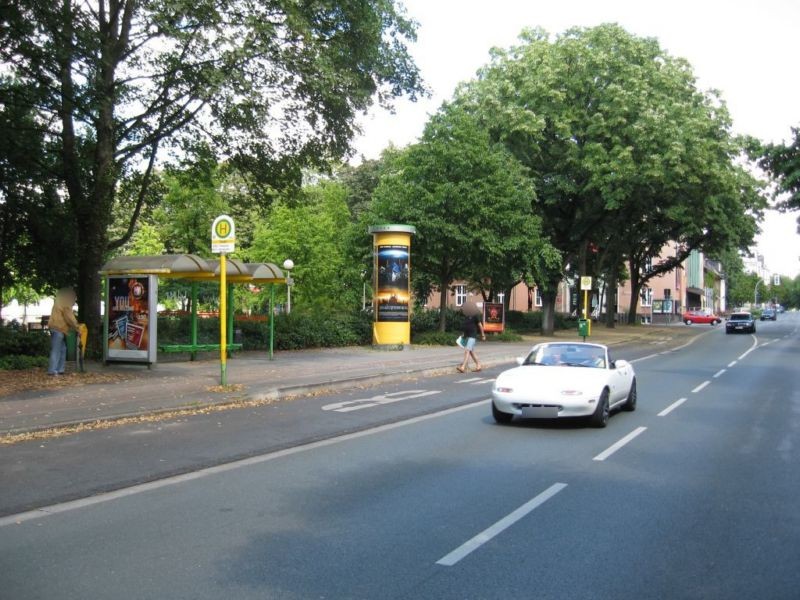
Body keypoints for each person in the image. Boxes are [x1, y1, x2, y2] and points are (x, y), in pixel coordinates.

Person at [48, 287, 80, 376]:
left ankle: (60, 369)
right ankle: (52, 370)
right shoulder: (66, 302)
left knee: (63, 349)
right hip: (58, 328)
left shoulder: (59, 300)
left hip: (56, 327)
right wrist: (77, 327)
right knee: (56, 349)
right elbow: (69, 317)